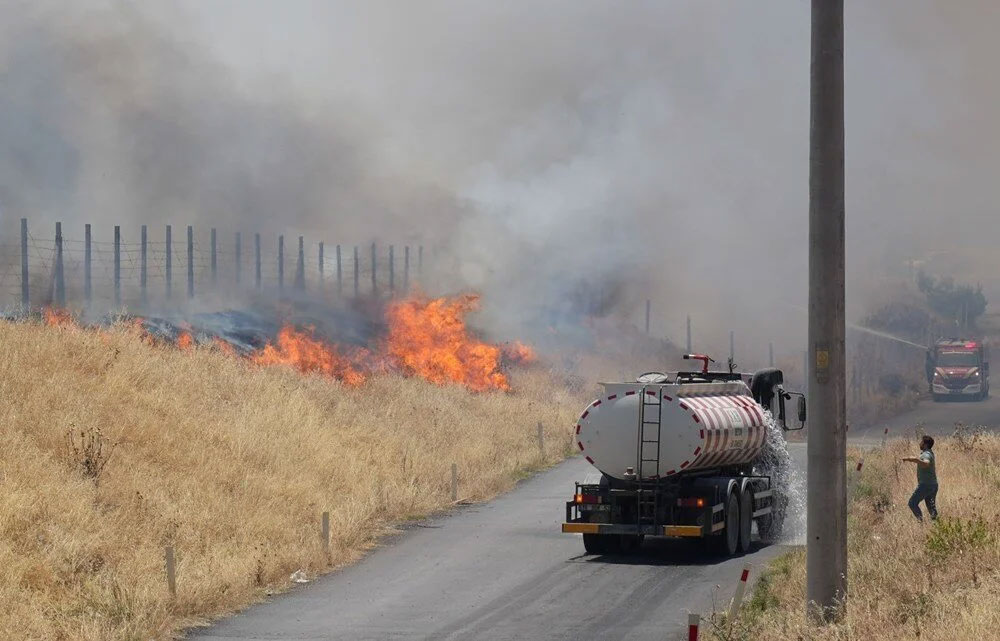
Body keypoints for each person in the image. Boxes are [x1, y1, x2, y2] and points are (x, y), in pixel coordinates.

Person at [902, 435, 938, 522]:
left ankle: (921, 523)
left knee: (912, 503)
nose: (920, 443)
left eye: (921, 442)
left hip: (926, 485)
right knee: (930, 506)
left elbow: (926, 463)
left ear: (925, 444)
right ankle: (936, 523)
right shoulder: (929, 453)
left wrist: (914, 460)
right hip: (933, 484)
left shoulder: (926, 454)